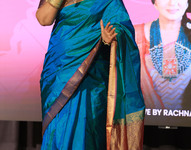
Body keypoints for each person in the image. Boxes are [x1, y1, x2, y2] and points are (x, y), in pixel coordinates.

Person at [36, 0, 145, 149]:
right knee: (57, 125)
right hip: (58, 71)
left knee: (84, 128)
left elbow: (121, 26)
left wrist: (111, 36)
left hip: (90, 74)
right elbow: (44, 19)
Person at [134, 0, 191, 110]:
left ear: (189, 2)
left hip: (189, 124)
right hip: (143, 124)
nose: (172, 3)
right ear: (155, 2)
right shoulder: (134, 35)